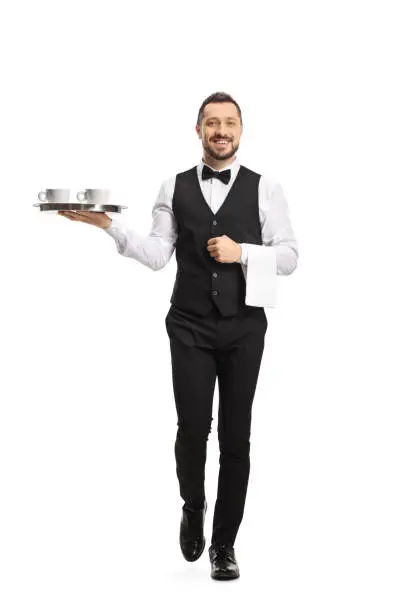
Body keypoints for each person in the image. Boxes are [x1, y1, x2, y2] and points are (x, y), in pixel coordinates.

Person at [58, 91, 299, 580]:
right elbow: (155, 254)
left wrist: (245, 252)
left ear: (240, 130)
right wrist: (108, 226)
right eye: (212, 123)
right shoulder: (173, 186)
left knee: (237, 437)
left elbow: (291, 255)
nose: (221, 131)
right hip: (188, 324)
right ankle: (193, 505)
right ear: (198, 130)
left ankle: (224, 546)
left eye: (229, 123)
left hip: (244, 327)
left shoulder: (266, 188)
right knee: (193, 429)